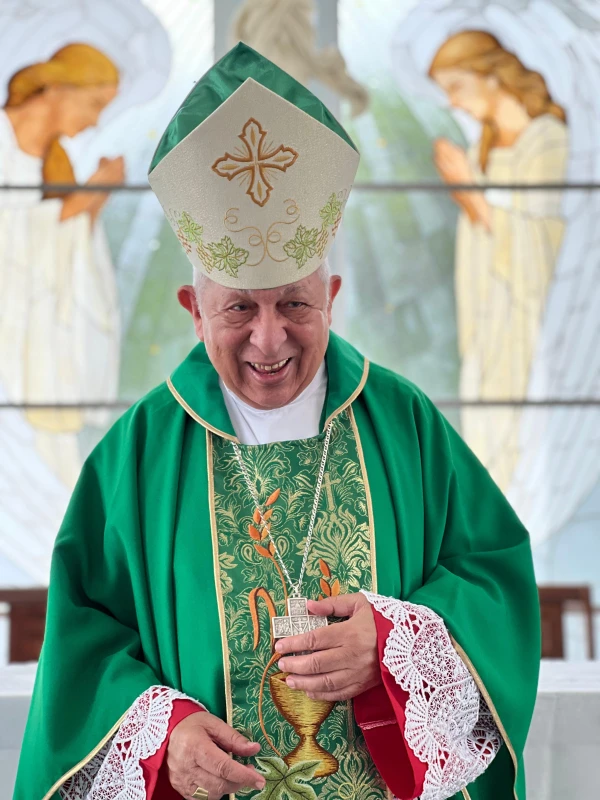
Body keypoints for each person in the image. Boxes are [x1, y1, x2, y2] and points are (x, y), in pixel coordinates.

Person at [14, 43, 540, 800]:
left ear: (332, 295)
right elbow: (84, 645)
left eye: (295, 303)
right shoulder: (140, 453)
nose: (270, 339)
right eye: (239, 308)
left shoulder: (405, 425)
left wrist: (393, 649)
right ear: (195, 311)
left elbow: (494, 582)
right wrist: (166, 739)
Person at [0, 44, 122, 582]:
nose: (95, 119)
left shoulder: (53, 161)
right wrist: (89, 197)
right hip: (9, 354)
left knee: (55, 472)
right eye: (94, 102)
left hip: (37, 350)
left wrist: (86, 202)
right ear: (60, 88)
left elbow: (58, 258)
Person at [429, 30, 568, 492]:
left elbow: (546, 242)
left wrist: (472, 193)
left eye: (456, 86)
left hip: (528, 320)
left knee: (520, 442)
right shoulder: (483, 148)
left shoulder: (546, 140)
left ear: (491, 75)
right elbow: (480, 237)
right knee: (485, 435)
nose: (452, 102)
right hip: (488, 318)